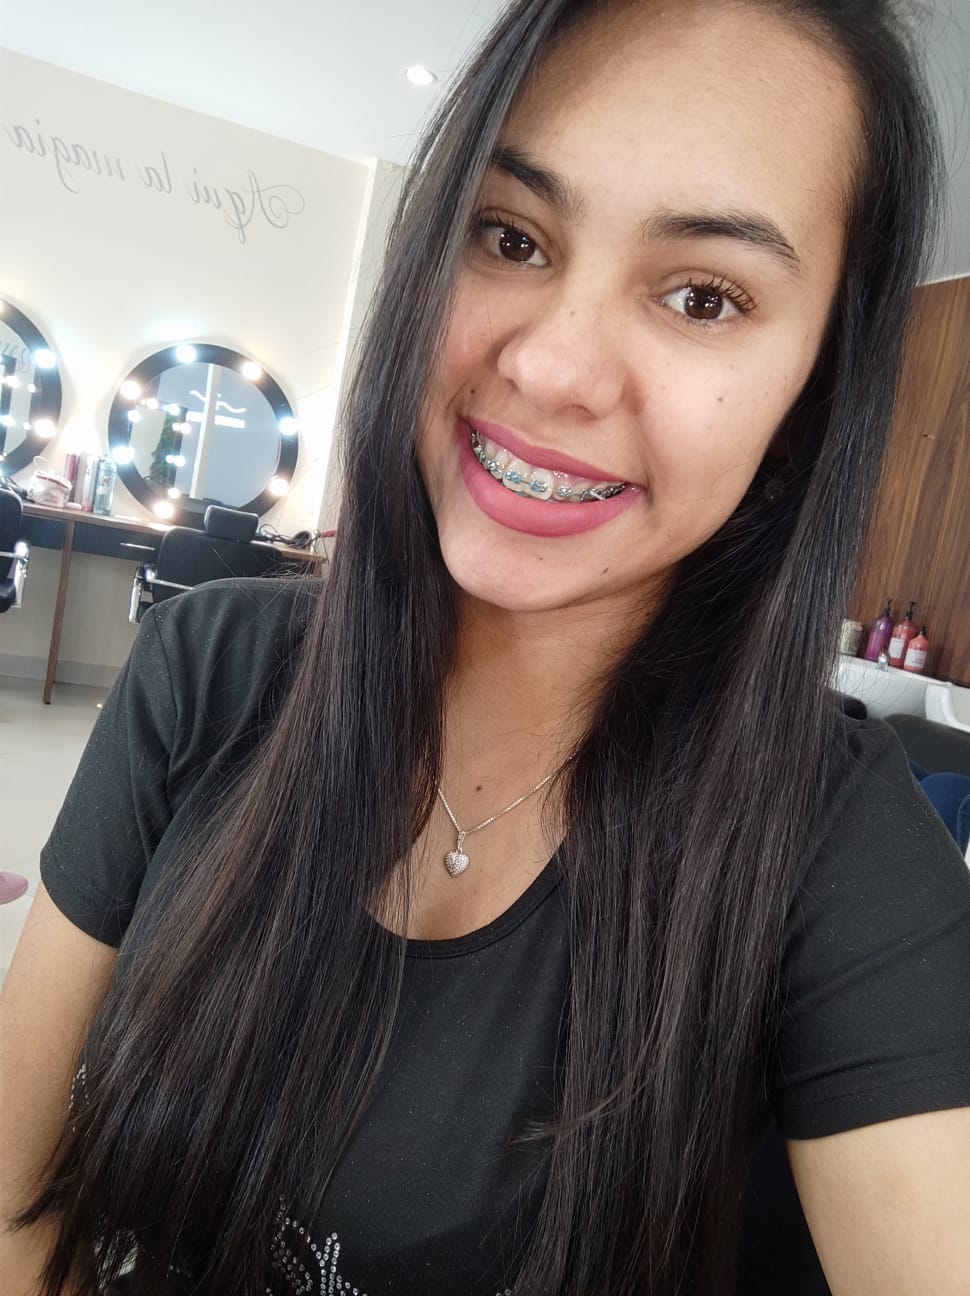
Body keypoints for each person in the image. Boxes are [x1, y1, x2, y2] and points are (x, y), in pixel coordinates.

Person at [2, 0, 969, 1292]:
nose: (554, 367)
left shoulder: (840, 856)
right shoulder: (206, 670)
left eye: (702, 296)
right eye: (510, 237)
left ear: (812, 392)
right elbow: (14, 1199)